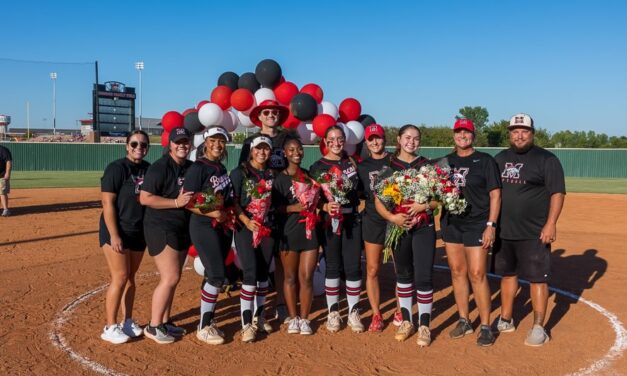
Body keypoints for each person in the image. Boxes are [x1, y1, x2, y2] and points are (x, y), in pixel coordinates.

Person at [494, 113, 565, 347]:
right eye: (515, 131)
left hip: (535, 232)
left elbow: (557, 193)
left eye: (524, 131)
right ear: (510, 134)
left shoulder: (547, 159)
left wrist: (551, 223)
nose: (519, 135)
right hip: (504, 231)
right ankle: (506, 318)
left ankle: (538, 326)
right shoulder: (500, 158)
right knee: (508, 275)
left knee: (537, 279)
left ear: (532, 133)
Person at [374, 124, 438, 347]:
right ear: (399, 140)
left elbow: (439, 198)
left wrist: (425, 206)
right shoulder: (388, 167)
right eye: (407, 137)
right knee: (403, 275)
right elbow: (379, 202)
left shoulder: (428, 166)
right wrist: (393, 219)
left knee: (423, 276)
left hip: (424, 228)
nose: (412, 141)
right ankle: (406, 321)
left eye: (416, 138)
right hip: (399, 228)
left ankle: (424, 325)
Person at [440, 119, 501, 347]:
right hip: (451, 223)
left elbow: (495, 195)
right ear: (453, 135)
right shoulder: (445, 162)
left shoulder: (485, 160)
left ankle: (485, 325)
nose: (462, 136)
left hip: (477, 223)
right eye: (458, 132)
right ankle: (464, 320)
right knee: (457, 271)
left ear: (473, 135)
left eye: (466, 132)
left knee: (477, 273)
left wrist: (491, 225)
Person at [238, 99, 291, 322]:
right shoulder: (250, 141)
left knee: (280, 257)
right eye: (266, 112)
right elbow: (243, 174)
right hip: (258, 209)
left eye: (274, 112)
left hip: (282, 200)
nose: (271, 115)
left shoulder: (287, 138)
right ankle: (251, 313)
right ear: (259, 116)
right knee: (256, 261)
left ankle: (280, 303)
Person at [139, 127, 193, 344]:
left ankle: (165, 321)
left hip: (181, 227)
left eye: (185, 142)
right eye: (178, 142)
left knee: (175, 278)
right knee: (170, 277)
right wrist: (175, 203)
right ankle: (153, 326)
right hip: (160, 227)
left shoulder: (190, 167)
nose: (182, 145)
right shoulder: (160, 167)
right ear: (170, 145)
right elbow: (145, 198)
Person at [310, 125, 365, 333]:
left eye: (340, 138)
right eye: (331, 139)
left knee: (353, 266)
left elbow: (360, 191)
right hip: (330, 221)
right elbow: (311, 199)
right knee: (332, 265)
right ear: (325, 141)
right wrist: (324, 206)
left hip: (352, 219)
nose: (336, 142)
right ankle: (333, 312)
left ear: (345, 140)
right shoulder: (318, 166)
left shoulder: (351, 162)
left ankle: (353, 312)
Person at [98, 130, 150, 344]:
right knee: (120, 276)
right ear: (127, 146)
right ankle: (110, 326)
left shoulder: (149, 169)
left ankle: (127, 321)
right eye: (135, 144)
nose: (139, 148)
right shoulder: (116, 168)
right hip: (117, 230)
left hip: (138, 231)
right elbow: (107, 203)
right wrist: (114, 235)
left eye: (143, 145)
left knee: (130, 277)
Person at [183, 126, 233, 345]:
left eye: (221, 141)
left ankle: (208, 320)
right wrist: (213, 212)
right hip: (203, 225)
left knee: (213, 274)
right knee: (216, 274)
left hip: (220, 226)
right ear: (205, 142)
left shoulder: (220, 168)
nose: (217, 144)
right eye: (213, 140)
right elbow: (187, 201)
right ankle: (204, 326)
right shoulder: (198, 167)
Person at [231, 135, 276, 342]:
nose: (262, 152)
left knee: (263, 272)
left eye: (266, 149)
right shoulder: (239, 172)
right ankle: (246, 323)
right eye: (259, 148)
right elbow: (234, 202)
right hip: (246, 227)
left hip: (266, 228)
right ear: (251, 150)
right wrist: (246, 221)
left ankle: (259, 316)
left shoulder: (271, 173)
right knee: (249, 272)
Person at [272, 136, 319, 335]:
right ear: (284, 152)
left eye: (299, 149)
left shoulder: (308, 176)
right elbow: (271, 208)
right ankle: (293, 318)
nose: (296, 153)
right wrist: (293, 207)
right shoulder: (278, 179)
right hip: (288, 233)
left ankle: (305, 319)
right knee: (290, 277)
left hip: (309, 233)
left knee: (306, 278)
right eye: (291, 150)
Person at [356, 124, 392, 332]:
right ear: (367, 143)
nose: (375, 142)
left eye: (378, 138)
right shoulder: (362, 166)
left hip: (396, 218)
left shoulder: (394, 161)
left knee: (401, 268)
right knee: (372, 268)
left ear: (384, 139)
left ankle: (400, 311)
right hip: (373, 219)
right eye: (371, 139)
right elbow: (361, 194)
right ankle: (377, 314)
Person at [0, 143, 12, 217]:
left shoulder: (3, 150)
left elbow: (8, 162)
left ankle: (5, 210)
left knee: (2, 192)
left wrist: (7, 173)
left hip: (2, 175)